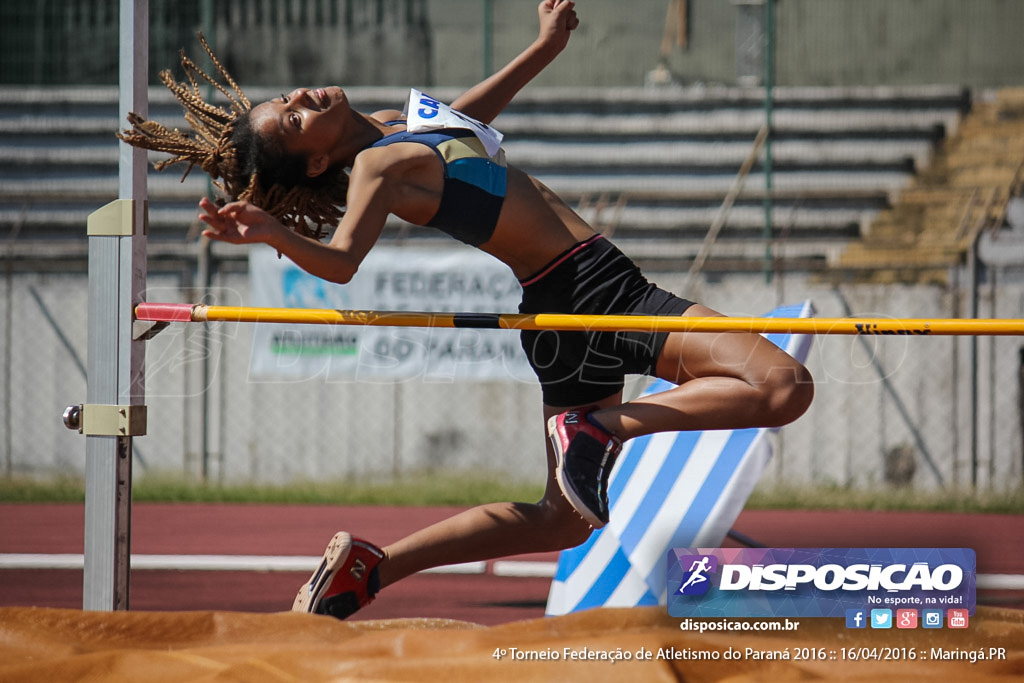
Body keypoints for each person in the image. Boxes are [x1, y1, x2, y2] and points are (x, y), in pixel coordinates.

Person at [119, 0, 813, 621]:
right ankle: (598, 426)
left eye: (287, 98)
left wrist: (542, 50)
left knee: (560, 522)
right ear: (313, 161)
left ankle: (373, 568)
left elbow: (468, 121)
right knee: (784, 385)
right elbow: (344, 262)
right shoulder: (377, 170)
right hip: (595, 288)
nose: (301, 95)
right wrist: (275, 233)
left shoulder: (392, 128)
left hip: (557, 306)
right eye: (295, 119)